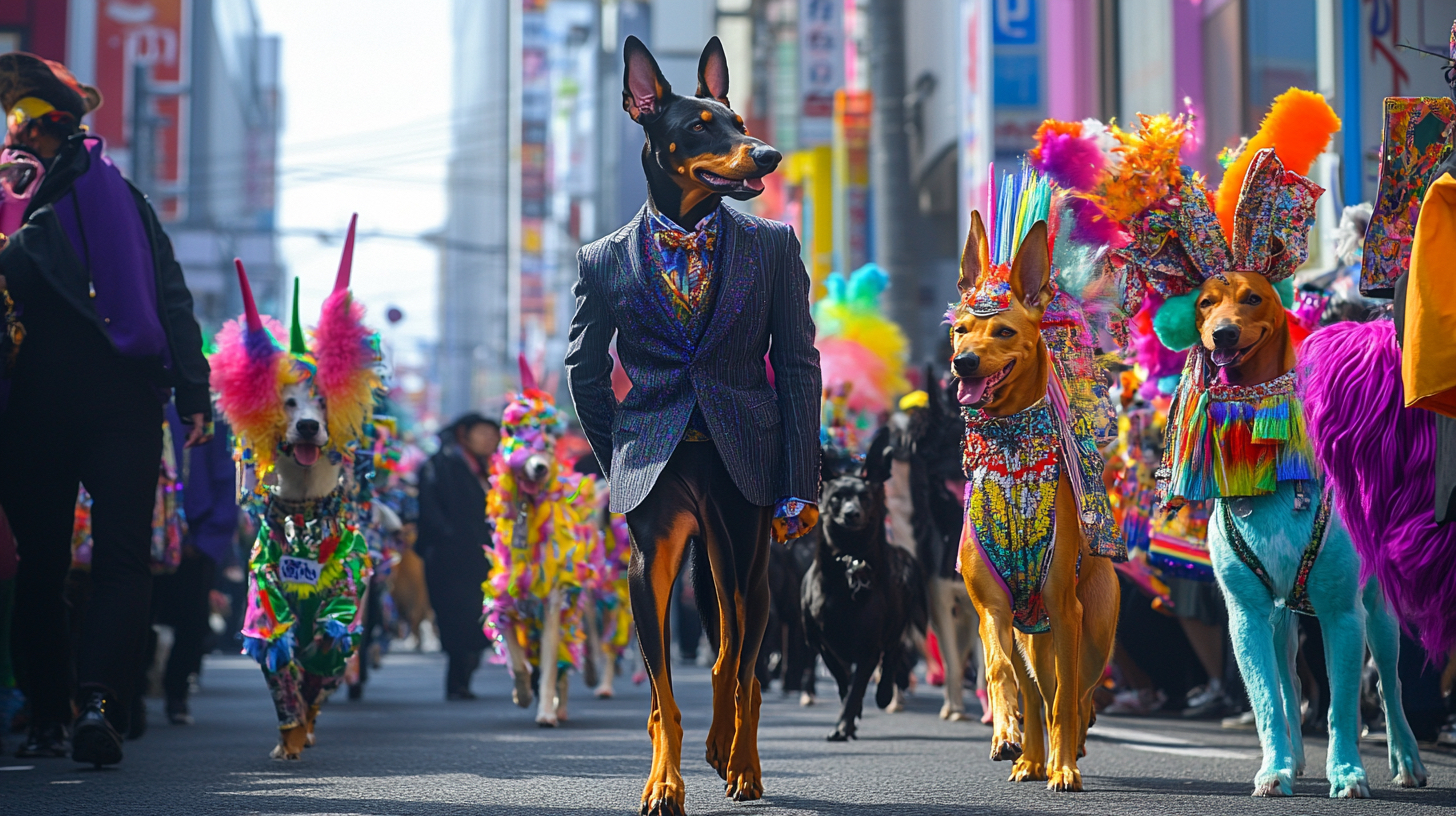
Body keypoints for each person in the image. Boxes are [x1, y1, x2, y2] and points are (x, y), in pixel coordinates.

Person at [0, 53, 211, 765]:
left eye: (24, 126)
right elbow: (169, 294)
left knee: (78, 561)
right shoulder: (96, 200)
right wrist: (191, 391)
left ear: (46, 131)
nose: (17, 139)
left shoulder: (65, 202)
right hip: (80, 400)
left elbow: (165, 289)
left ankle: (73, 712)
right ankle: (75, 706)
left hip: (77, 400)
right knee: (83, 562)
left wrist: (194, 390)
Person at [417, 414, 498, 700]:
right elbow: (430, 510)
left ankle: (463, 674)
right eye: (483, 433)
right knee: (456, 617)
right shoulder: (443, 465)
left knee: (477, 616)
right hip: (449, 558)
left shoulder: (488, 468)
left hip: (480, 557)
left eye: (493, 434)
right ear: (464, 434)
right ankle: (457, 679)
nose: (490, 439)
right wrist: (449, 536)